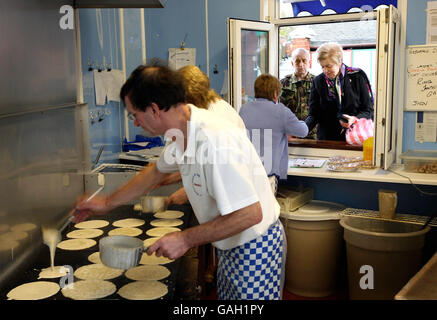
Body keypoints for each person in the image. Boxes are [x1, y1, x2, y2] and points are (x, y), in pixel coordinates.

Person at [73, 65, 286, 300]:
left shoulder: (215, 141)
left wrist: (184, 239)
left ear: (154, 109)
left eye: (134, 115)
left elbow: (249, 214)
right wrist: (105, 203)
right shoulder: (182, 130)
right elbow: (154, 173)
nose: (135, 123)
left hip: (254, 246)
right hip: (230, 244)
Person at [158, 65, 246, 206]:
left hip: (239, 200)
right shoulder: (194, 116)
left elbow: (222, 170)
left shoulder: (218, 117)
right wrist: (162, 177)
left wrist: (187, 192)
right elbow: (192, 160)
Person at [239, 74, 308, 195]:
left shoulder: (244, 109)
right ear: (276, 94)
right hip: (268, 173)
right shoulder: (281, 111)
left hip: (246, 170)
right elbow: (303, 131)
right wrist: (285, 129)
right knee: (268, 212)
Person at [305, 42, 374, 141]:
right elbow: (313, 114)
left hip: (354, 138)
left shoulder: (357, 76)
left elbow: (369, 110)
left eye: (328, 66)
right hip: (327, 139)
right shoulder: (318, 81)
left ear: (339, 61)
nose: (325, 70)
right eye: (322, 66)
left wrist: (354, 119)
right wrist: (300, 130)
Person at [280, 48, 316, 139]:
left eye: (304, 61)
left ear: (309, 63)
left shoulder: (317, 82)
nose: (301, 64)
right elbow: (277, 111)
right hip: (290, 135)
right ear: (292, 63)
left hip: (312, 135)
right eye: (297, 61)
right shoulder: (283, 83)